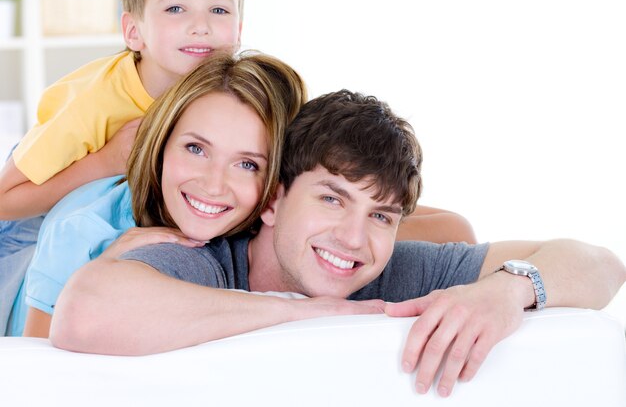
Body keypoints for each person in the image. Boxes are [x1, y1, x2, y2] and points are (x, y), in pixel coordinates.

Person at [51, 90, 625, 397]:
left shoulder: (391, 271)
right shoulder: (199, 258)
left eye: (381, 215)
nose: (353, 239)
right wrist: (308, 312)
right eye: (330, 198)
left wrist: (507, 292)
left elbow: (602, 265)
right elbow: (83, 312)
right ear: (272, 200)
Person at [0, 0, 245, 333]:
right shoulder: (92, 103)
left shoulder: (230, 95)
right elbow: (5, 200)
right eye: (175, 8)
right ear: (134, 31)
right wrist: (107, 160)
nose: (201, 26)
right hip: (32, 215)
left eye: (219, 9)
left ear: (239, 29)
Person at [6, 50, 306, 338]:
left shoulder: (260, 235)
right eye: (196, 149)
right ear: (162, 144)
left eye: (246, 164)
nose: (214, 185)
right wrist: (103, 268)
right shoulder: (82, 228)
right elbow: (38, 367)